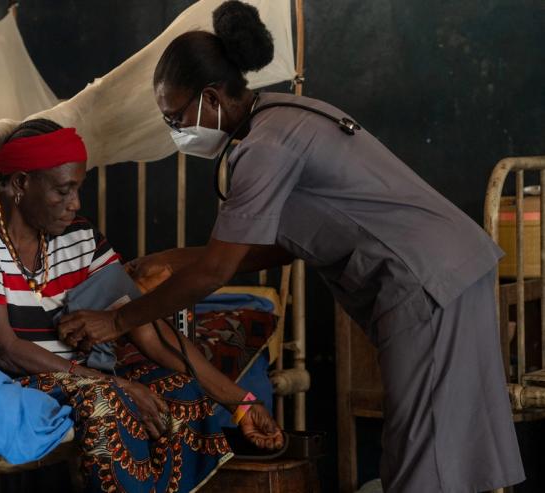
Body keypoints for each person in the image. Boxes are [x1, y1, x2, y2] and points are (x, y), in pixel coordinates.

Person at [58, 2, 525, 492]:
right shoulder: (285, 116)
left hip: (423, 279)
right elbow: (273, 246)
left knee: (422, 446)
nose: (175, 131)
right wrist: (170, 261)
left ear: (212, 99)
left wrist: (115, 320)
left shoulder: (264, 148)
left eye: (176, 116)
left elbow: (219, 269)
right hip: (450, 267)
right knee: (443, 437)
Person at [0, 118, 283, 493]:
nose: (75, 204)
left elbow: (148, 331)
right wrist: (117, 385)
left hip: (59, 374)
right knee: (109, 404)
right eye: (63, 190)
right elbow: (1, 350)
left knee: (179, 391)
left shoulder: (77, 235)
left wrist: (241, 402)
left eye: (79, 188)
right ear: (22, 184)